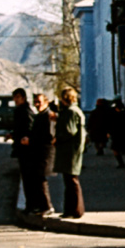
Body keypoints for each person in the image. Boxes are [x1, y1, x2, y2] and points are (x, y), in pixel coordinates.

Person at [54, 87, 87, 219]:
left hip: (70, 151)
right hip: (72, 150)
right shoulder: (74, 111)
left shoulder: (70, 112)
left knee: (71, 181)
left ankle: (74, 210)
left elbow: (69, 131)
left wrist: (57, 138)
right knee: (70, 180)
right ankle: (72, 209)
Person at [3, 88, 35, 210]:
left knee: (29, 178)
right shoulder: (20, 111)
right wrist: (12, 134)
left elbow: (30, 128)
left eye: (17, 97)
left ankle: (31, 204)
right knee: (26, 177)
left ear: (23, 97)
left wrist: (26, 138)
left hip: (27, 149)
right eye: (14, 97)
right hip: (21, 147)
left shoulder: (26, 111)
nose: (15, 100)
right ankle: (29, 204)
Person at [27, 92, 56, 215]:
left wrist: (31, 140)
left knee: (41, 179)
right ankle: (41, 205)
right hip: (38, 152)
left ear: (46, 102)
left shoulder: (48, 116)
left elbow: (49, 136)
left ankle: (47, 206)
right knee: (37, 179)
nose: (37, 104)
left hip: (45, 152)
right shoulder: (40, 115)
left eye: (39, 101)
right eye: (35, 102)